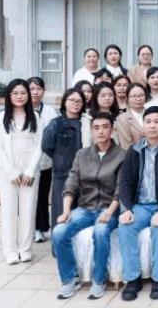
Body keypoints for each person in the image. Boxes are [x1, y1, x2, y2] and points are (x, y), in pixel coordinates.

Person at [52, 111, 126, 300]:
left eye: (105, 127)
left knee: (100, 231)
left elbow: (122, 189)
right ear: (92, 131)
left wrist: (110, 212)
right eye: (96, 128)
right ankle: (70, 279)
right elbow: (71, 184)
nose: (100, 132)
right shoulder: (82, 155)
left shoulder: (121, 156)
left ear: (112, 130)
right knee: (59, 232)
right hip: (85, 208)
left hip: (110, 208)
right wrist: (66, 211)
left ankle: (99, 280)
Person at [118, 106, 158, 301]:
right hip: (141, 206)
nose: (152, 126)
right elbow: (125, 182)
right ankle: (132, 279)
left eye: (156, 122)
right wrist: (126, 208)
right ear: (143, 125)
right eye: (148, 122)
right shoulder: (134, 150)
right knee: (125, 226)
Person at [0, 79, 42, 264]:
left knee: (28, 211)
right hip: (7, 172)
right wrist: (11, 172)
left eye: (23, 93)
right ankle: (11, 251)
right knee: (9, 211)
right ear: (9, 95)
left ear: (28, 95)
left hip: (29, 171)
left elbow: (39, 146)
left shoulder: (35, 117)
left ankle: (25, 249)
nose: (20, 96)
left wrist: (29, 171)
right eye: (15, 93)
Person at [42, 88, 85, 233]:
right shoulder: (56, 124)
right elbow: (46, 146)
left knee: (80, 214)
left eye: (79, 101)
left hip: (84, 175)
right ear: (64, 102)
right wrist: (61, 159)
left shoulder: (85, 123)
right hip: (63, 174)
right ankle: (58, 243)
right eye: (71, 100)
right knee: (61, 212)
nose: (75, 103)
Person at [28, 77, 59, 243]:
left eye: (38, 89)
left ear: (43, 91)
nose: (35, 92)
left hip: (45, 162)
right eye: (31, 89)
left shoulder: (50, 112)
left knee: (42, 195)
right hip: (26, 163)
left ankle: (41, 228)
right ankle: (31, 228)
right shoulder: (22, 111)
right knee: (29, 197)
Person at [81, 81, 119, 148]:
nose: (107, 98)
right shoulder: (88, 117)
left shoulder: (119, 116)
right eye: (103, 95)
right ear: (96, 97)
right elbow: (86, 142)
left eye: (110, 95)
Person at [114, 83, 146, 150]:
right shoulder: (122, 119)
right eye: (134, 96)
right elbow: (126, 145)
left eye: (141, 95)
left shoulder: (152, 114)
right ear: (127, 98)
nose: (138, 99)